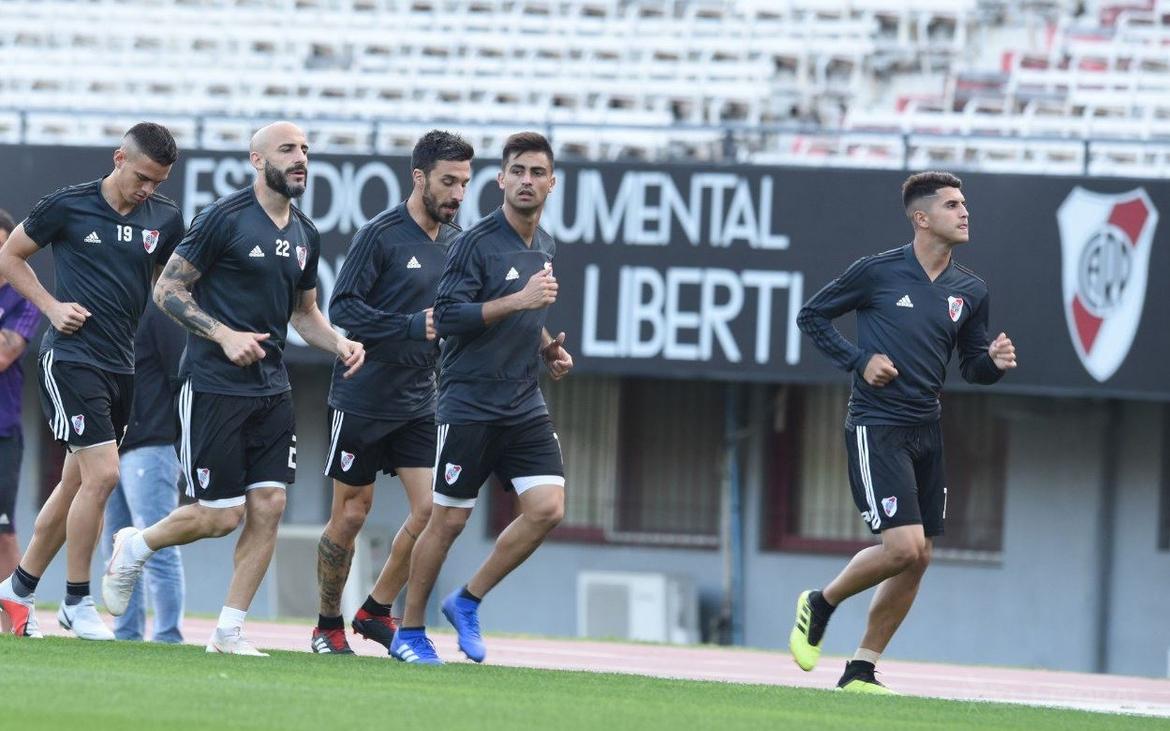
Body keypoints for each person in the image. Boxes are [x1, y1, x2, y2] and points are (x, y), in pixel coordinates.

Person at [102, 121, 365, 656]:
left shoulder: (305, 234)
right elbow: (167, 289)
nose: (300, 160)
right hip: (213, 385)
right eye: (288, 150)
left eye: (306, 151)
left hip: (272, 388)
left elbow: (305, 313)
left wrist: (339, 343)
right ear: (256, 159)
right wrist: (223, 335)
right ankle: (138, 543)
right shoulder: (223, 219)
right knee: (220, 517)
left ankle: (228, 630)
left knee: (269, 504)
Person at [790, 171, 1017, 693]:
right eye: (953, 205)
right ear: (921, 218)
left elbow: (973, 368)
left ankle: (862, 668)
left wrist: (995, 363)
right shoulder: (877, 272)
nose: (965, 212)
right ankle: (819, 603)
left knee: (920, 557)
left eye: (965, 204)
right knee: (903, 547)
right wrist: (859, 358)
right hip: (877, 425)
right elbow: (812, 317)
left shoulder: (971, 289)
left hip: (927, 429)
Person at [389, 131, 573, 665]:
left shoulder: (545, 243)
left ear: (552, 183)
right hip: (468, 403)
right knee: (446, 520)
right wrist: (518, 299)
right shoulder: (474, 242)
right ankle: (410, 631)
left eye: (537, 173)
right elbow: (446, 318)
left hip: (523, 401)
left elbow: (527, 310)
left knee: (548, 508)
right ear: (501, 179)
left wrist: (547, 350)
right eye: (517, 171)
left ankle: (466, 600)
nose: (527, 181)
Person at [0, 124, 183, 640]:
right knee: (102, 476)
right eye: (142, 176)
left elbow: (170, 284)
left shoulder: (166, 218)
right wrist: (52, 307)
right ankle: (77, 602)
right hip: (71, 358)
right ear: (118, 157)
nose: (148, 189)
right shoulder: (68, 205)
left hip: (121, 365)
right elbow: (10, 256)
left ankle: (18, 587)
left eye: (158, 181)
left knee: (78, 482)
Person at [312, 131, 474, 654]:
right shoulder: (379, 235)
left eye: (465, 184)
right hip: (362, 398)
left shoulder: (457, 243)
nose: (457, 194)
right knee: (352, 515)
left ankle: (376, 609)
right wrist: (408, 326)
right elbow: (343, 311)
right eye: (449, 182)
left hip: (419, 402)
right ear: (420, 177)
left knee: (431, 510)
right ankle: (327, 624)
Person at [100, 301, 186, 642]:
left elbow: (179, 377)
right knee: (117, 550)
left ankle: (167, 636)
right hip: (113, 447)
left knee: (157, 546)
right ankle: (126, 634)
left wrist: (178, 438)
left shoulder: (158, 313)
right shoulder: (119, 312)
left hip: (153, 445)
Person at [0, 210, 42, 634]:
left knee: (3, 530)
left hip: (2, 429)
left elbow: (4, 355)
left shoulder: (24, 300)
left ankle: (18, 615)